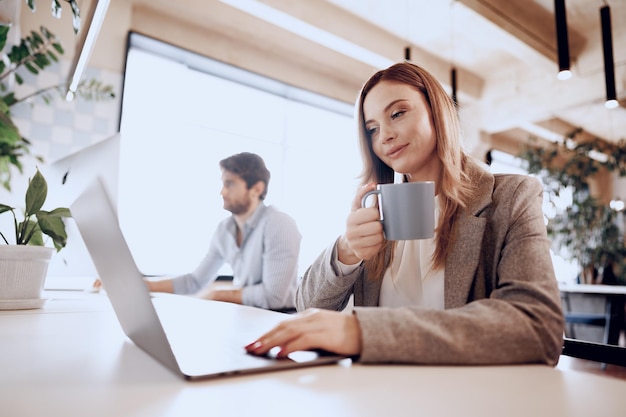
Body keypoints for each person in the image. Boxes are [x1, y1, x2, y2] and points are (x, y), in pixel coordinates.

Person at [245, 62, 565, 364]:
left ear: (436, 112)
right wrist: (347, 250)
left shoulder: (512, 197)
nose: (384, 136)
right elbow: (307, 307)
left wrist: (364, 331)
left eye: (397, 113)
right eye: (372, 129)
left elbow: (537, 327)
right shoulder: (377, 208)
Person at [142, 152, 302, 310]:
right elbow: (194, 282)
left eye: (230, 184)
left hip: (280, 316)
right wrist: (146, 285)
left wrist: (217, 295)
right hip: (246, 312)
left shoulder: (279, 224)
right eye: (223, 184)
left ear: (256, 189)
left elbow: (273, 297)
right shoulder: (224, 229)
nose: (222, 192)